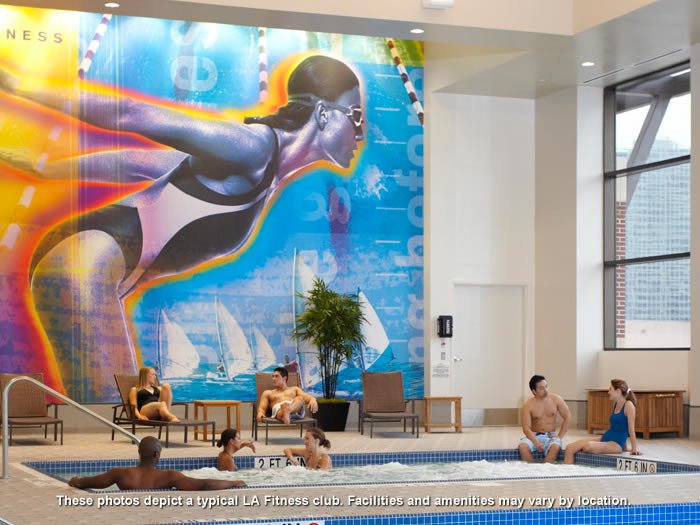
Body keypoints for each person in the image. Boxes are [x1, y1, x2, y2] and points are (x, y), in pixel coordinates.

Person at [0, 55, 364, 402]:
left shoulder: (259, 171)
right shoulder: (253, 145)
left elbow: (135, 161)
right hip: (87, 259)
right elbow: (131, 113)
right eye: (356, 117)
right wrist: (17, 86)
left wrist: (44, 169)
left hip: (91, 261)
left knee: (122, 420)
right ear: (322, 113)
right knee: (113, 421)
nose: (360, 133)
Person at [68, 436, 246, 490]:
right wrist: (233, 482)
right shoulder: (169, 476)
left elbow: (91, 482)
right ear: (156, 454)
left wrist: (76, 480)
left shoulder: (120, 473)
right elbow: (205, 484)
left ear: (139, 452)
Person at [564, 378, 640, 464]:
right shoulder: (615, 404)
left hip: (616, 444)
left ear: (618, 391)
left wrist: (634, 449)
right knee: (570, 448)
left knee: (588, 446)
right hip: (606, 438)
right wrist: (625, 448)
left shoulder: (629, 405)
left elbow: (631, 429)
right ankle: (567, 471)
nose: (608, 392)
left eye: (610, 389)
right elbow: (618, 426)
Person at [518, 374, 571, 463]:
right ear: (534, 391)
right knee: (523, 447)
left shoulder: (556, 399)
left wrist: (559, 437)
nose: (546, 390)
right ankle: (531, 468)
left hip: (550, 435)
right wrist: (536, 442)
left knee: (555, 447)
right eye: (541, 388)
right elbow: (526, 428)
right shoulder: (528, 405)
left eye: (546, 386)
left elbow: (567, 416)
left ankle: (544, 469)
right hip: (533, 436)